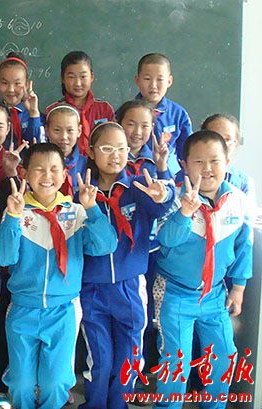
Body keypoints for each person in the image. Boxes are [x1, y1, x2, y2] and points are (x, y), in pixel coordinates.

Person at [0, 143, 117, 409]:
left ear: (64, 175)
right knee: (21, 383)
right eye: (39, 169)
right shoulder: (18, 211)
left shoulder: (76, 212)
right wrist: (12, 217)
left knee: (56, 382)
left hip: (64, 311)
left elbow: (106, 245)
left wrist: (92, 208)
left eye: (54, 169)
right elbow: (3, 258)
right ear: (25, 174)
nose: (47, 176)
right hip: (23, 309)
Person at [79, 122, 175, 409]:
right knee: (100, 357)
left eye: (121, 148)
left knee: (129, 355)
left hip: (130, 286)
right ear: (91, 151)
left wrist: (164, 184)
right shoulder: (82, 193)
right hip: (92, 288)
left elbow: (164, 205)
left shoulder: (138, 187)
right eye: (107, 148)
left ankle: (119, 404)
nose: (115, 155)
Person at [153, 130, 252, 408]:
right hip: (175, 293)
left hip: (215, 295)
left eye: (215, 161)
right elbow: (166, 240)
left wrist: (239, 287)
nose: (207, 168)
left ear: (227, 162)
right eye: (199, 162)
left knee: (224, 355)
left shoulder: (237, 200)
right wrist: (185, 212)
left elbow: (244, 246)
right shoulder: (172, 197)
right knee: (176, 361)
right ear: (184, 164)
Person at [133, 53, 192, 176]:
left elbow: (187, 155)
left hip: (168, 176)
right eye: (147, 79)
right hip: (135, 175)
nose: (153, 85)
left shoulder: (178, 114)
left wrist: (181, 178)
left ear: (169, 81)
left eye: (160, 79)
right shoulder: (126, 113)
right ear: (137, 80)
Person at [46, 51, 115, 156]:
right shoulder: (54, 111)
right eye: (71, 77)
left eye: (83, 76)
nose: (78, 83)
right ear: (63, 78)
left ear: (92, 77)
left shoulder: (104, 109)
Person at [201, 113, 256, 202]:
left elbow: (249, 210)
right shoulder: (186, 175)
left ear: (235, 143)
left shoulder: (243, 182)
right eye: (215, 137)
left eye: (227, 139)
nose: (222, 144)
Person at [0, 51, 42, 147]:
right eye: (5, 83)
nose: (11, 89)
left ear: (27, 85)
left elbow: (38, 147)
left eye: (17, 84)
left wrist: (33, 114)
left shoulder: (36, 116)